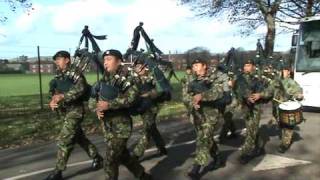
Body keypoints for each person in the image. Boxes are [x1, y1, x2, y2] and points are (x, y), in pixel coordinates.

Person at [89, 49, 152, 180]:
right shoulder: (105, 79)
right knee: (124, 156)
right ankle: (141, 174)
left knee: (110, 159)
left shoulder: (129, 78)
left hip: (121, 125)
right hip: (107, 125)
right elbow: (94, 98)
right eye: (104, 60)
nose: (105, 62)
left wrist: (109, 104)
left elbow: (131, 98)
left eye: (109, 59)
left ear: (119, 62)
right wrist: (96, 108)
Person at [46, 50, 103, 180]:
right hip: (64, 112)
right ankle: (97, 157)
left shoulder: (75, 73)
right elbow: (53, 91)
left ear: (67, 60)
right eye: (55, 60)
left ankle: (58, 171)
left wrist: (63, 96)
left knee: (64, 139)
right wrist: (52, 101)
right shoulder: (58, 74)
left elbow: (80, 89)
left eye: (59, 59)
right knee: (79, 138)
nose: (56, 62)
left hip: (75, 111)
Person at [183, 58, 225, 179]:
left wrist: (202, 96)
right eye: (193, 65)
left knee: (203, 140)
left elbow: (218, 92)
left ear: (204, 66)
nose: (194, 67)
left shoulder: (214, 77)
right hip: (197, 116)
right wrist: (192, 102)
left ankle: (196, 168)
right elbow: (185, 96)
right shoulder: (191, 80)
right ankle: (218, 158)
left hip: (211, 115)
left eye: (197, 65)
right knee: (207, 139)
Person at [233, 59, 273, 164]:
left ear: (253, 66)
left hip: (256, 107)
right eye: (245, 65)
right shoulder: (240, 78)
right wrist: (245, 96)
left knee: (251, 130)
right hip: (245, 107)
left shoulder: (261, 78)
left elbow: (270, 90)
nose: (246, 67)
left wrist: (261, 95)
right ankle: (259, 147)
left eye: (249, 65)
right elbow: (237, 91)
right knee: (252, 128)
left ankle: (245, 153)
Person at [131, 57, 167, 158]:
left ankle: (136, 154)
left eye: (139, 67)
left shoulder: (152, 77)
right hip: (142, 107)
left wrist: (148, 94)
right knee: (152, 128)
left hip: (152, 107)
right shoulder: (135, 79)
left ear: (145, 67)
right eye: (136, 67)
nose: (137, 69)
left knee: (147, 129)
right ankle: (161, 146)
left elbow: (161, 90)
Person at [273, 64, 303, 153]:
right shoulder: (277, 81)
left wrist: (299, 96)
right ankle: (285, 139)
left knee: (288, 127)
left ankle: (285, 144)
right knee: (281, 125)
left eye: (285, 70)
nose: (282, 72)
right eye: (281, 70)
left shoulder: (291, 82)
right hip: (277, 107)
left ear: (289, 72)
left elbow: (298, 91)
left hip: (287, 109)